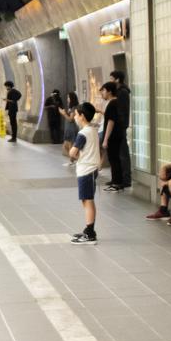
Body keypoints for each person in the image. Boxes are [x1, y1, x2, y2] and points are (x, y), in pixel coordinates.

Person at [68, 102, 101, 245]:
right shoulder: (93, 129)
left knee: (87, 201)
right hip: (91, 169)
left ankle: (89, 233)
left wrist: (73, 154)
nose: (74, 117)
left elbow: (72, 152)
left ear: (82, 116)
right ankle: (89, 230)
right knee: (87, 200)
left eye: (76, 114)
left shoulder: (82, 134)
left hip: (86, 170)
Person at [99, 82, 125, 191]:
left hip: (113, 136)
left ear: (109, 91)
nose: (103, 93)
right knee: (114, 159)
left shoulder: (112, 104)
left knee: (114, 159)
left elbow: (111, 121)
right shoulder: (116, 102)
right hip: (117, 135)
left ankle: (117, 183)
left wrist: (105, 139)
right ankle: (115, 180)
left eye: (104, 91)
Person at [109, 70, 132, 189]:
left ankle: (126, 179)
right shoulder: (119, 92)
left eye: (111, 78)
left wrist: (121, 125)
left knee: (123, 154)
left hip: (120, 127)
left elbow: (122, 111)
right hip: (119, 126)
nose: (110, 81)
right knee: (118, 154)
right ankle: (118, 178)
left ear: (117, 79)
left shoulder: (122, 92)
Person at [60, 92, 80, 163]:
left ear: (72, 98)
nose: (67, 99)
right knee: (66, 145)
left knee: (69, 146)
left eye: (68, 97)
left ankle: (76, 159)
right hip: (68, 128)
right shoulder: (71, 107)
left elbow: (71, 119)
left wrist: (64, 114)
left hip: (72, 128)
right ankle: (72, 159)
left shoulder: (74, 108)